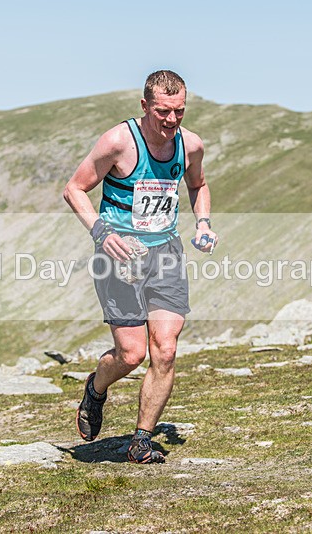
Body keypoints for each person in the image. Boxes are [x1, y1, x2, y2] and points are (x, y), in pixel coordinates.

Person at [63, 70, 217, 464]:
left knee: (164, 350)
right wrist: (100, 232)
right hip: (119, 255)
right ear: (145, 105)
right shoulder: (119, 142)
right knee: (131, 354)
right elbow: (74, 189)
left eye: (179, 111)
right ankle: (96, 389)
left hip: (165, 253)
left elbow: (197, 185)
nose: (171, 120)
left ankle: (142, 440)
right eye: (163, 111)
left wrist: (203, 223)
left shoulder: (190, 145)